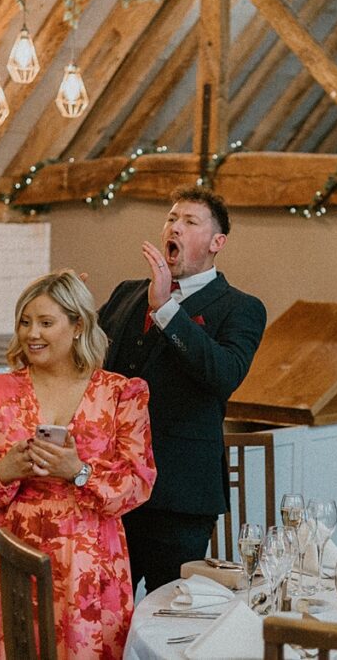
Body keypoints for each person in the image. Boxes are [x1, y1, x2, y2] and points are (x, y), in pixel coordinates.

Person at [0, 270, 156, 659]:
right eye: (25, 322)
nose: (32, 334)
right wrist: (4, 470)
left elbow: (138, 483)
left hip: (89, 567)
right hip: (8, 558)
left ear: (77, 326)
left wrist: (79, 471)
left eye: (45, 323)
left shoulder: (121, 393)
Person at [97, 186, 266, 593]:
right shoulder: (125, 293)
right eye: (172, 218)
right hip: (111, 487)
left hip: (181, 498)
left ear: (216, 242)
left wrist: (167, 310)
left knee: (170, 616)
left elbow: (223, 375)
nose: (175, 226)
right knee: (101, 611)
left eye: (190, 222)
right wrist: (69, 317)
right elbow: (92, 367)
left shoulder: (241, 307)